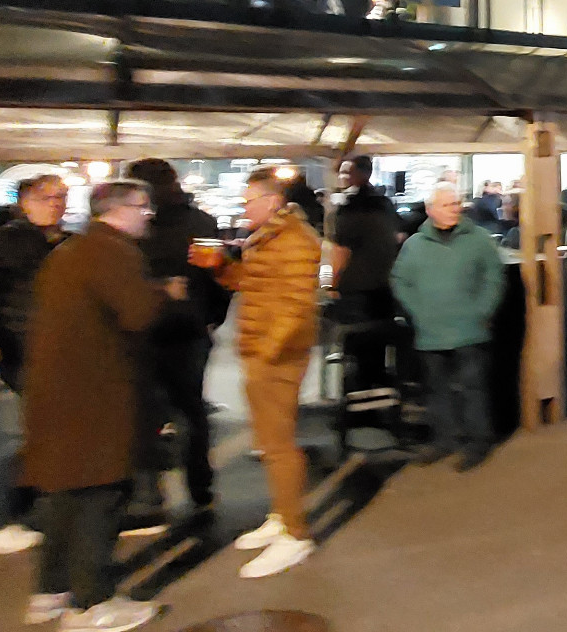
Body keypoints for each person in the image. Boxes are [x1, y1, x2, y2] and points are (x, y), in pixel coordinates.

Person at [20, 181, 172, 631]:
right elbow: (138, 313)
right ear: (118, 210)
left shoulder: (70, 250)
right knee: (100, 494)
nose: (148, 214)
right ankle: (91, 603)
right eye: (142, 206)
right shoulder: (113, 252)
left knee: (63, 496)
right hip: (96, 393)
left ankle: (51, 591)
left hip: (56, 390)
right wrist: (167, 292)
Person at [191, 167, 324, 578]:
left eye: (249, 202)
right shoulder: (268, 237)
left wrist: (268, 352)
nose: (244, 209)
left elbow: (297, 306)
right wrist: (220, 267)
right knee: (269, 442)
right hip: (262, 353)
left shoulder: (295, 240)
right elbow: (252, 284)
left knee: (279, 444)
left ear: (272, 201)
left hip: (277, 357)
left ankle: (295, 534)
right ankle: (282, 516)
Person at [0, 174, 71, 555]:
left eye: (61, 197)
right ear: (26, 202)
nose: (55, 204)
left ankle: (21, 511)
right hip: (16, 348)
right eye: (47, 197)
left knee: (31, 433)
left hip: (46, 350)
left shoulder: (62, 242)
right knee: (14, 436)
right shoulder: (4, 242)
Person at [124, 159, 223, 519]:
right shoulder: (202, 223)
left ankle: (148, 494)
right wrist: (212, 318)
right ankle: (200, 487)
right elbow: (217, 277)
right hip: (190, 328)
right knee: (191, 410)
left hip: (145, 331)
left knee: (143, 412)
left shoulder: (135, 228)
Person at [389, 182, 506, 472]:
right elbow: (400, 280)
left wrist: (482, 310)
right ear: (431, 210)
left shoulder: (479, 240)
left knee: (473, 388)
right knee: (436, 389)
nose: (454, 209)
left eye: (456, 203)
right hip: (430, 330)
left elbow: (494, 277)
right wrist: (418, 312)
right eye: (447, 205)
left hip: (470, 329)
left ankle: (478, 441)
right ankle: (445, 439)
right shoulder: (415, 245)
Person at [329, 155, 406, 397]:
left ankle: (359, 402)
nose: (344, 177)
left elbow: (339, 252)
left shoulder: (350, 208)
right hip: (384, 289)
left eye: (347, 172)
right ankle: (379, 398)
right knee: (377, 353)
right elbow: (399, 236)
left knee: (356, 355)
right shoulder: (385, 204)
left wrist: (328, 284)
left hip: (356, 294)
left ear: (359, 174)